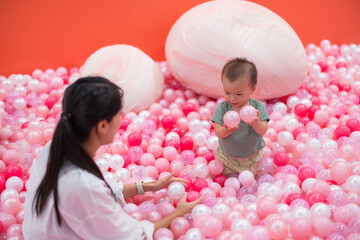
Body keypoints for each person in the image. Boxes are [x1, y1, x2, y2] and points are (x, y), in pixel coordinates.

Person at [23, 76, 202, 240]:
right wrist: (178, 214)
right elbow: (131, 237)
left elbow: (96, 194)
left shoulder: (56, 147)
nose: (121, 118)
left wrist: (147, 186)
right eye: (119, 114)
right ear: (102, 125)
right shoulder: (82, 184)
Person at [211, 58, 269, 176]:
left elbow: (263, 130)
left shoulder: (257, 107)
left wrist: (256, 124)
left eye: (238, 94)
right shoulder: (222, 108)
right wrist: (225, 130)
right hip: (227, 158)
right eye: (227, 92)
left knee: (258, 176)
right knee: (223, 177)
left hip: (253, 158)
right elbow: (218, 132)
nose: (232, 98)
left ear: (252, 90)